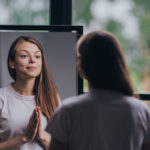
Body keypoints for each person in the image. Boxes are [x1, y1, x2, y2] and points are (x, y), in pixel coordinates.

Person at [46, 31, 150, 150]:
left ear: (82, 65)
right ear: (117, 62)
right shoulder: (139, 110)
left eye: (79, 57)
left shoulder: (68, 110)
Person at [0, 36, 60, 150]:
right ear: (12, 63)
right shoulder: (2, 98)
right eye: (24, 56)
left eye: (37, 56)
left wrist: (41, 136)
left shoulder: (53, 98)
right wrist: (25, 137)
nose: (32, 60)